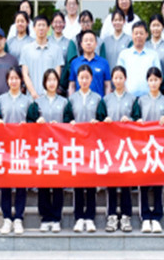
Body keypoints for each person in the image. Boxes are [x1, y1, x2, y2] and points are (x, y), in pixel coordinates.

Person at [0, 66, 33, 235]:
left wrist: (28, 124)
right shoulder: (0, 100)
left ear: (21, 80)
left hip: (22, 148)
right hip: (5, 148)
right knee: (5, 183)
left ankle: (19, 217)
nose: (14, 81)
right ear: (7, 81)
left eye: (16, 78)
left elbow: (34, 120)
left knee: (21, 183)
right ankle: (7, 217)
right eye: (11, 78)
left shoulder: (28, 101)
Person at [130, 67, 164, 234]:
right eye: (151, 80)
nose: (153, 83)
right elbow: (134, 118)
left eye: (156, 80)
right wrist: (137, 121)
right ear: (147, 82)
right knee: (144, 183)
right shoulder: (140, 101)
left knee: (158, 184)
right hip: (144, 148)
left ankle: (156, 217)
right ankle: (145, 217)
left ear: (160, 81)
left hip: (161, 148)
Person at [27, 68, 68, 233]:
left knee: (58, 184)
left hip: (59, 148)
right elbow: (29, 122)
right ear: (44, 83)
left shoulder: (64, 102)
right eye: (49, 80)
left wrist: (62, 126)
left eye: (54, 80)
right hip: (42, 148)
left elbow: (69, 121)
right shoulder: (37, 103)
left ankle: (56, 217)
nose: (51, 83)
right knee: (43, 183)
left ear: (58, 82)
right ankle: (45, 217)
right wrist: (36, 122)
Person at [64, 64, 103, 233]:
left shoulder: (98, 98)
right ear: (77, 79)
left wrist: (98, 122)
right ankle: (79, 217)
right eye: (81, 78)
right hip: (77, 146)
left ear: (91, 79)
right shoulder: (72, 99)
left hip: (92, 146)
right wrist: (70, 122)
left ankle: (90, 217)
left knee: (91, 183)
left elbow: (103, 118)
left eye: (87, 77)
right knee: (78, 182)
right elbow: (66, 118)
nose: (84, 80)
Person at [99, 66, 135, 233]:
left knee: (126, 181)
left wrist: (131, 119)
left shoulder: (133, 99)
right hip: (111, 146)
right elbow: (98, 120)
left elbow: (138, 119)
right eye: (116, 78)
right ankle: (112, 215)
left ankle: (126, 216)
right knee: (112, 181)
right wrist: (104, 121)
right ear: (112, 80)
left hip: (127, 146)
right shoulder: (106, 100)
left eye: (121, 77)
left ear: (125, 79)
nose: (118, 81)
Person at [20, 15, 64, 99]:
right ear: (34, 28)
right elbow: (25, 74)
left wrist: (48, 93)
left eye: (43, 25)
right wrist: (34, 94)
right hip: (31, 98)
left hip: (50, 97)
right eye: (39, 25)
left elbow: (57, 74)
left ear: (48, 28)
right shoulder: (26, 49)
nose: (41, 28)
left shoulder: (56, 49)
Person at [117, 22, 161, 98]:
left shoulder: (153, 55)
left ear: (146, 35)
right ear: (132, 35)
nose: (138, 36)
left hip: (148, 98)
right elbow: (119, 76)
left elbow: (158, 76)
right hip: (128, 97)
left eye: (141, 33)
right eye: (136, 33)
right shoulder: (124, 54)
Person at [68, 30, 111, 97]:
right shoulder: (75, 62)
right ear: (81, 44)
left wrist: (106, 101)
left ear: (96, 44)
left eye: (91, 40)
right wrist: (71, 100)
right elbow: (72, 86)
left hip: (98, 101)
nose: (88, 43)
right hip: (79, 101)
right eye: (86, 41)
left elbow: (107, 86)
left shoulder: (104, 63)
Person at [61, 10, 95, 92]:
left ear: (92, 22)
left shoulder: (99, 42)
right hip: (78, 81)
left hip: (95, 81)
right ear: (79, 23)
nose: (85, 24)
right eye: (83, 22)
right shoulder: (74, 41)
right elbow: (71, 65)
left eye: (88, 21)